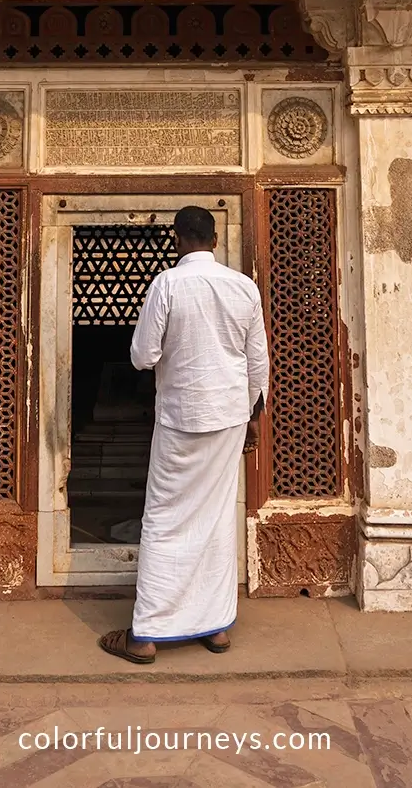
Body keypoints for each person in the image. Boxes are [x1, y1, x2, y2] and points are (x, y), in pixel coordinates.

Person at [98, 204, 269, 664]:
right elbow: (258, 363)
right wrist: (254, 415)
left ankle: (147, 634)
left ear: (178, 239)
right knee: (214, 517)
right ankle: (215, 630)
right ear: (214, 241)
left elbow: (142, 356)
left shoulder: (167, 284)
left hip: (182, 417)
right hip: (230, 415)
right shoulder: (244, 287)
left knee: (164, 518)